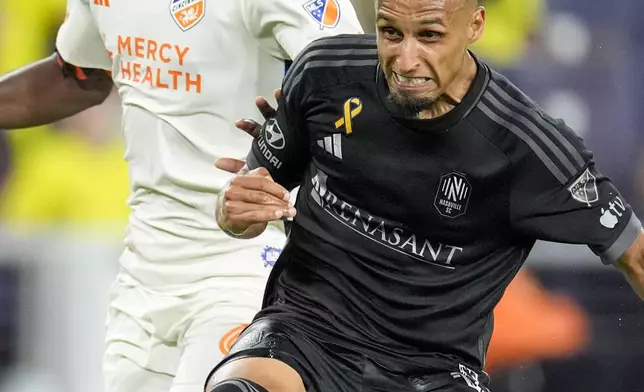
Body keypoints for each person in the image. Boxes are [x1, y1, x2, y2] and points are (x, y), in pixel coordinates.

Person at [206, 0, 644, 391]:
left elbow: (636, 256)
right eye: (390, 32)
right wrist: (232, 208)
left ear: (475, 25)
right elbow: (246, 198)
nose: (405, 59)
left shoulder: (527, 146)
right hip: (302, 336)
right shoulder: (325, 73)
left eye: (430, 35)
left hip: (433, 370)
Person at [0, 0, 363, 390]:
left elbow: (359, 89)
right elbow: (80, 75)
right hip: (143, 278)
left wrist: (294, 155)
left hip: (247, 264)